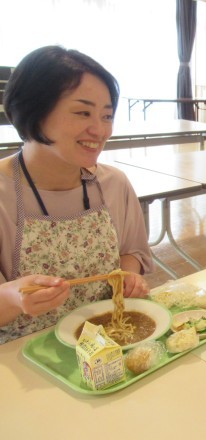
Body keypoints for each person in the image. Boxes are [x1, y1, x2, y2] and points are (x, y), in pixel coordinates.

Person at [0, 46, 153, 345]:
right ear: (35, 111)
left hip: (108, 346)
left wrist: (129, 277)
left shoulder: (114, 184)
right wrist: (13, 297)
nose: (100, 130)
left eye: (107, 115)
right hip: (23, 356)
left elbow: (131, 252)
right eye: (83, 112)